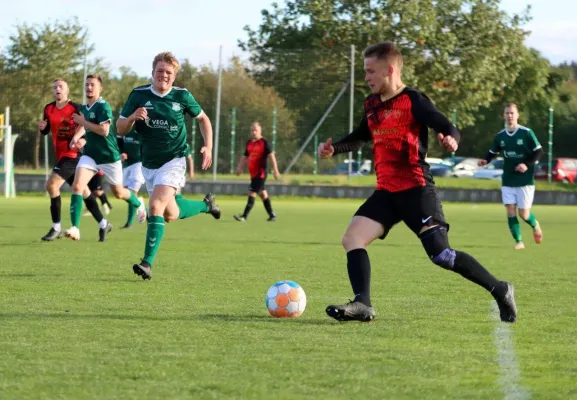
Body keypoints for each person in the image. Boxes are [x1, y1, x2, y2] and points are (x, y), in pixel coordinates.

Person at [317, 42, 517, 323]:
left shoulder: (413, 100)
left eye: (370, 71)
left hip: (416, 189)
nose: (366, 77)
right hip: (386, 192)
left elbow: (447, 126)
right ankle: (363, 304)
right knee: (352, 238)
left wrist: (451, 139)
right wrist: (333, 149)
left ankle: (501, 289)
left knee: (442, 255)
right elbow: (361, 135)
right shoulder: (372, 104)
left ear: (389, 70)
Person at [116, 51, 221, 280]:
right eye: (160, 71)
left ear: (174, 77)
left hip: (174, 160)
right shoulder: (139, 95)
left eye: (169, 72)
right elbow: (120, 128)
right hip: (149, 165)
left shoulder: (182, 96)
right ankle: (206, 205)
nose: (164, 75)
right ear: (152, 73)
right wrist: (133, 117)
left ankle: (147, 263)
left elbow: (203, 119)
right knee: (170, 214)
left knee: (155, 207)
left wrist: (208, 147)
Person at [64, 74, 147, 241]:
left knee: (119, 193)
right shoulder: (86, 108)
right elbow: (83, 126)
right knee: (77, 186)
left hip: (109, 157)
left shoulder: (103, 106)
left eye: (92, 85)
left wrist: (83, 122)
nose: (89, 87)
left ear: (100, 88)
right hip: (90, 156)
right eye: (86, 84)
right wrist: (76, 137)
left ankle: (139, 204)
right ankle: (75, 228)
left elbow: (104, 131)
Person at [38, 79, 106, 241]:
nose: (57, 89)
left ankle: (56, 227)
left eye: (61, 87)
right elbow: (46, 129)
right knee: (84, 192)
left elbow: (89, 126)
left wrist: (83, 139)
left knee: (51, 185)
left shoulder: (75, 108)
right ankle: (104, 224)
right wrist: (43, 128)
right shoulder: (48, 108)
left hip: (73, 156)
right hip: (61, 156)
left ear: (67, 90)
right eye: (54, 87)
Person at [478, 104, 543, 250]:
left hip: (525, 180)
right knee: (510, 211)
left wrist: (526, 164)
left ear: (518, 115)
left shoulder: (526, 133)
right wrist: (485, 160)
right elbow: (492, 152)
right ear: (504, 115)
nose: (509, 116)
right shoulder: (500, 136)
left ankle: (535, 225)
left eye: (512, 113)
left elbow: (539, 151)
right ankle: (519, 241)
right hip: (508, 179)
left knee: (524, 214)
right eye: (507, 113)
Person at [233, 121, 281, 222]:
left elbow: (272, 157)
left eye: (256, 130)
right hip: (253, 174)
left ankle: (244, 216)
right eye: (252, 130)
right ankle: (272, 215)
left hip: (261, 173)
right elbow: (244, 156)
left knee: (252, 192)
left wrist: (276, 171)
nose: (254, 132)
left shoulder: (264, 143)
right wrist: (239, 168)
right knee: (263, 194)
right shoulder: (249, 143)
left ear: (260, 131)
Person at [117, 128, 145, 229]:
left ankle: (129, 223)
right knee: (122, 193)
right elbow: (119, 140)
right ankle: (139, 203)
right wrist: (122, 152)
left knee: (132, 192)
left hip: (139, 163)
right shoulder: (124, 127)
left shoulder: (141, 128)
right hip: (126, 164)